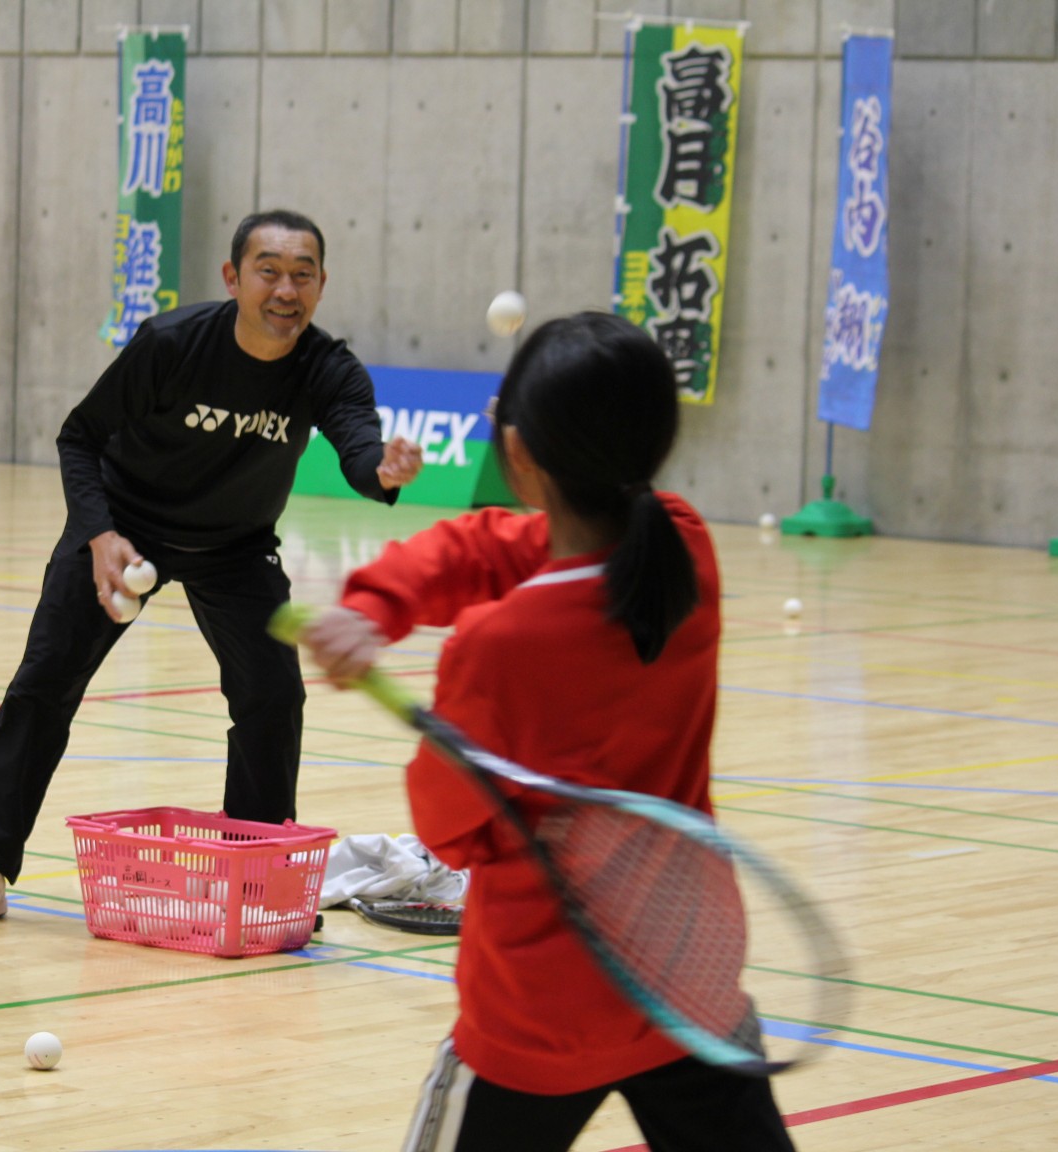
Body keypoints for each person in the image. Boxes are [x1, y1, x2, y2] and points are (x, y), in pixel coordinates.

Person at [297, 313, 796, 1151]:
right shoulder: (685, 549)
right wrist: (378, 603)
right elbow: (493, 543)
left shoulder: (502, 647)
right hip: (684, 983)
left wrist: (432, 700)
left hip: (540, 1012)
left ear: (519, 453)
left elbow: (448, 830)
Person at [0, 209, 424, 931]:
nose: (286, 290)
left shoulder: (328, 368)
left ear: (321, 284)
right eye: (269, 271)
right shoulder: (171, 344)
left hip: (236, 544)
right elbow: (80, 436)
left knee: (271, 695)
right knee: (45, 683)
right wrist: (98, 534)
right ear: (233, 278)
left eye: (303, 274)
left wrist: (381, 468)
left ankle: (253, 876)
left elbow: (359, 450)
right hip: (125, 528)